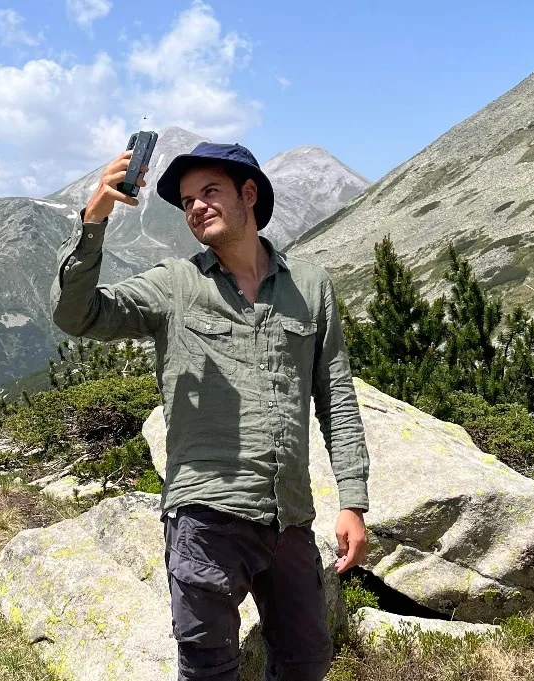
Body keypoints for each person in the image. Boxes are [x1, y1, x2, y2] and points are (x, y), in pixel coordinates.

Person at [51, 140, 370, 680]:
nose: (195, 206)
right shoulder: (175, 284)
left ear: (248, 193)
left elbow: (335, 396)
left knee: (307, 662)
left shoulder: (311, 286)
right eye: (186, 200)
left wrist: (353, 501)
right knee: (208, 670)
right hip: (205, 517)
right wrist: (94, 219)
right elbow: (78, 315)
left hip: (289, 518)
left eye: (209, 192)